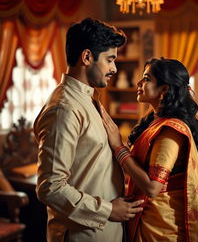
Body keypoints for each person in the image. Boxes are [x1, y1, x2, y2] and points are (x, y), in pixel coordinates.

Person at [33, 17, 144, 242]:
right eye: (110, 59)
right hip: (81, 235)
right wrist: (107, 210)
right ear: (86, 57)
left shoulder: (89, 99)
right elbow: (50, 187)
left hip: (105, 231)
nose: (114, 68)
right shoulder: (64, 108)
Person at [101, 57, 198, 242]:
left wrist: (118, 146)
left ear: (164, 89)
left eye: (146, 78)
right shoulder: (154, 122)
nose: (139, 83)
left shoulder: (170, 131)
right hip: (148, 217)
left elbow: (153, 188)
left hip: (160, 227)